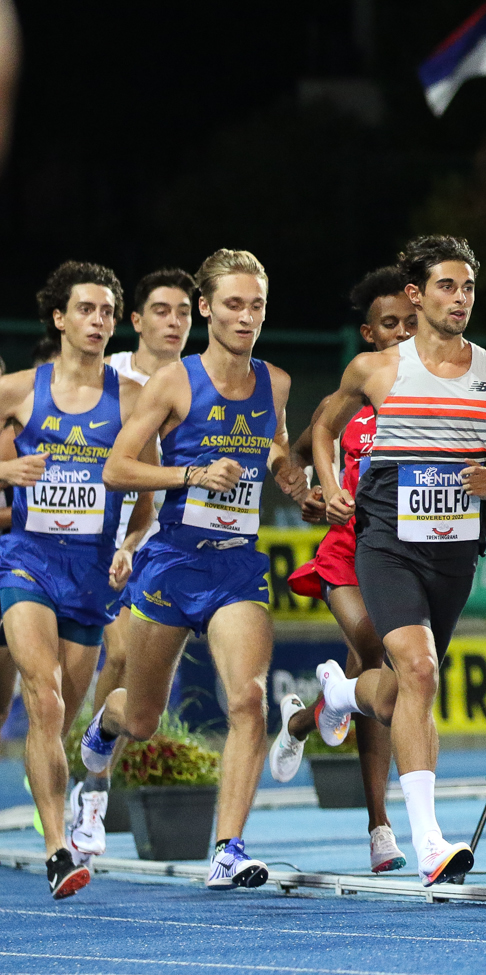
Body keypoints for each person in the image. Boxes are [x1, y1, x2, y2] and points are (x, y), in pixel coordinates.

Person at [306, 235, 486, 888]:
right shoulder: (377, 369)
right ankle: (429, 842)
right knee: (418, 667)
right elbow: (323, 427)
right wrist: (328, 486)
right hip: (387, 544)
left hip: (456, 551)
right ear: (415, 294)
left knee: (408, 688)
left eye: (468, 287)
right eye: (446, 286)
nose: (460, 298)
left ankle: (341, 693)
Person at [78, 249, 306, 891]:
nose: (246, 317)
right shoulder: (173, 382)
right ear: (206, 308)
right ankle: (105, 724)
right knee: (142, 720)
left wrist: (289, 475)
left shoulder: (276, 382)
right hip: (173, 561)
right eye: (233, 304)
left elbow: (274, 442)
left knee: (248, 699)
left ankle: (228, 849)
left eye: (256, 305)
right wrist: (193, 475)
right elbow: (116, 469)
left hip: (236, 567)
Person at [0, 261, 157, 898]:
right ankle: (56, 850)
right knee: (43, 698)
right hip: (27, 561)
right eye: (85, 309)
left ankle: (53, 796)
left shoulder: (134, 399)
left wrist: (129, 546)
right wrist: (4, 472)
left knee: (59, 718)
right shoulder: (17, 390)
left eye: (107, 312)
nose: (98, 321)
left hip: (91, 574)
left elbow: (144, 500)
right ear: (59, 317)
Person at [266, 266, 418, 873]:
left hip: (411, 555)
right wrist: (306, 490)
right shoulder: (347, 401)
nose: (402, 332)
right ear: (369, 334)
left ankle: (309, 716)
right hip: (347, 553)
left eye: (411, 322)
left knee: (374, 679)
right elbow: (301, 452)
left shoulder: (443, 393)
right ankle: (382, 826)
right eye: (390, 324)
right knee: (378, 650)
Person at [96, 269, 196, 708]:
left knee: (137, 668)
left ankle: (100, 748)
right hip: (98, 538)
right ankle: (84, 748)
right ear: (136, 320)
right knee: (118, 653)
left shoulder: (200, 383)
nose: (174, 321)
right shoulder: (107, 375)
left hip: (163, 544)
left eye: (183, 312)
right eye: (161, 311)